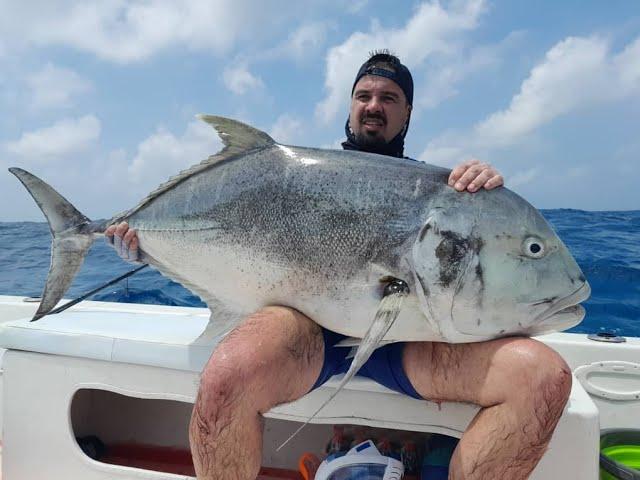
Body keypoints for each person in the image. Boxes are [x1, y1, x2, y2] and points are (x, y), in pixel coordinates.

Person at [106, 52, 571, 480]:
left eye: (389, 98)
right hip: (308, 328)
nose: (374, 105)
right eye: (363, 95)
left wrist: (490, 202)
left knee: (543, 378)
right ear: (349, 105)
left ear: (407, 113)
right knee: (228, 375)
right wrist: (145, 242)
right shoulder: (298, 172)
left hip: (411, 340)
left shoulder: (451, 191)